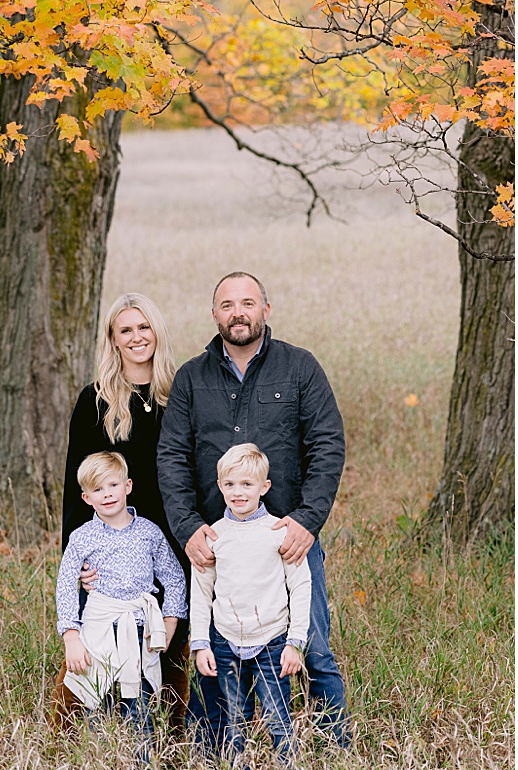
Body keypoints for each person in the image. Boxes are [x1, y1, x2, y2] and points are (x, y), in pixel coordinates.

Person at [158, 271, 349, 746]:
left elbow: (328, 445)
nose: (237, 313)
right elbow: (172, 457)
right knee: (213, 650)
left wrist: (307, 521)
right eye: (227, 304)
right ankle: (215, 750)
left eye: (248, 303)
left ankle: (335, 747)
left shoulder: (299, 367)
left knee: (315, 647)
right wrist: (188, 529)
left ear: (267, 309)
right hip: (217, 542)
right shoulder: (191, 378)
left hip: (288, 540)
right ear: (214, 313)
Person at [54, 292, 189, 732]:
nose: (136, 337)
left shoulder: (183, 395)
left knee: (167, 645)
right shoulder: (93, 402)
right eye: (125, 330)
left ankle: (168, 741)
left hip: (172, 539)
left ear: (157, 332)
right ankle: (69, 739)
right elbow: (78, 493)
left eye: (144, 327)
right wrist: (78, 564)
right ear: (113, 339)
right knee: (95, 651)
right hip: (112, 544)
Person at [56, 452, 187, 758]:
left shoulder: (149, 532)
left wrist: (169, 622)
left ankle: (141, 760)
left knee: (139, 703)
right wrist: (71, 637)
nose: (107, 494)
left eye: (113, 485)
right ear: (87, 498)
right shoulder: (82, 538)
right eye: (98, 490)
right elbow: (64, 587)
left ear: (128, 485)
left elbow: (174, 576)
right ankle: (102, 758)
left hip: (139, 628)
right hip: (98, 628)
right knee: (96, 701)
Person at [190, 443, 311, 761]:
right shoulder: (214, 535)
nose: (238, 492)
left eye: (247, 484)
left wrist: (295, 642)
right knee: (234, 721)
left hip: (272, 642)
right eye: (229, 484)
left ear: (264, 487)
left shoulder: (278, 532)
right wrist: (201, 643)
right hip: (226, 641)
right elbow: (201, 592)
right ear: (219, 487)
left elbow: (301, 586)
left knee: (277, 719)